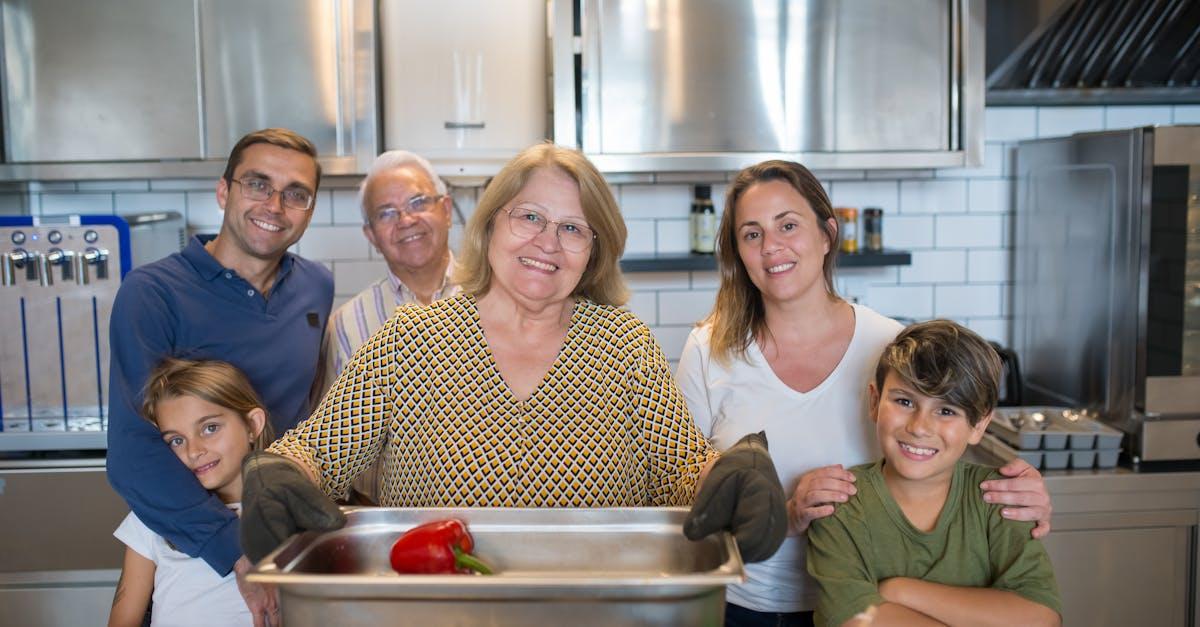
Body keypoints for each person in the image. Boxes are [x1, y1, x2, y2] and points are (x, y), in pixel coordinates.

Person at [237, 142, 788, 568]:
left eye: (573, 228)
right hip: (440, 618)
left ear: (593, 251)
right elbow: (319, 454)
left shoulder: (624, 344)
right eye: (529, 217)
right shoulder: (409, 340)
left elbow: (685, 471)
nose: (547, 242)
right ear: (492, 222)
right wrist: (280, 471)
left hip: (596, 616)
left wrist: (734, 475)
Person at [675, 160, 1052, 626]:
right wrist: (785, 515)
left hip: (882, 606)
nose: (772, 246)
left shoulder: (886, 343)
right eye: (751, 234)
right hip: (744, 605)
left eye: (788, 225)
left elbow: (931, 453)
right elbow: (687, 489)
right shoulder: (710, 350)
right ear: (738, 251)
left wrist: (1014, 495)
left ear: (827, 234)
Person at [106, 128, 333, 624]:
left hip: (281, 530)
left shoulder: (317, 285)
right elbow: (133, 452)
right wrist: (236, 551)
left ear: (310, 210)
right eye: (257, 184)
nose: (275, 205)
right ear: (224, 192)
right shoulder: (152, 293)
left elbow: (308, 409)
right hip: (194, 541)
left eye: (296, 194)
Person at [806, 320, 1061, 627]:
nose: (919, 427)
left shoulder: (1000, 498)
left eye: (946, 411)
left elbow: (1040, 617)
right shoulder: (840, 502)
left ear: (979, 424)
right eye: (904, 401)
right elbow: (853, 619)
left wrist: (898, 591)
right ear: (874, 402)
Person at [108, 359, 274, 627]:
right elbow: (124, 618)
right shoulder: (153, 516)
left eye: (210, 428)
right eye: (176, 440)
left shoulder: (287, 510)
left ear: (253, 425)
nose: (193, 450)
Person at [322, 150, 460, 391]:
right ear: (371, 236)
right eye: (386, 213)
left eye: (418, 202)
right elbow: (340, 427)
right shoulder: (347, 325)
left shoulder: (497, 296)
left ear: (446, 211)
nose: (406, 220)